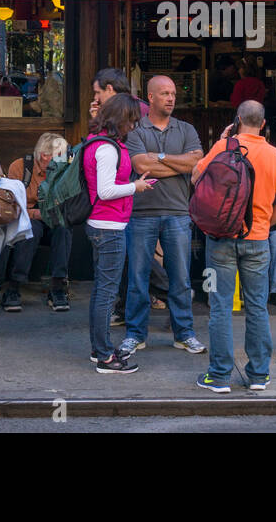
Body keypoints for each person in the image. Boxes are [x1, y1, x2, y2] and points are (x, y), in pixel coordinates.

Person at [192, 100, 276, 393]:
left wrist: (223, 141)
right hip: (258, 243)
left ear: (237, 120)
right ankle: (258, 375)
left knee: (219, 306)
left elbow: (196, 178)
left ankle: (219, 376)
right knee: (258, 307)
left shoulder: (223, 147)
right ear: (263, 124)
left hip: (219, 242)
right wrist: (263, 225)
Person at [117, 75, 206, 359]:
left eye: (173, 94)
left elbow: (197, 162)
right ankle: (135, 334)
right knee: (138, 278)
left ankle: (184, 334)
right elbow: (140, 164)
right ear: (151, 97)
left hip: (178, 212)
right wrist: (177, 163)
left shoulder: (186, 128)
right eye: (165, 94)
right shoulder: (135, 130)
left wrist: (161, 158)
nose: (171, 98)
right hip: (141, 213)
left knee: (180, 277)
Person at [84, 94, 154, 373]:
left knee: (102, 291)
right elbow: (106, 191)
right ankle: (104, 356)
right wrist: (135, 187)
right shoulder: (107, 148)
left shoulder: (99, 143)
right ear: (120, 119)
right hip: (109, 226)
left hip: (102, 224)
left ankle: (98, 348)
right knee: (106, 293)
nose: (134, 127)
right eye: (132, 121)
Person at [0, 132, 71, 311]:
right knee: (31, 232)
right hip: (26, 216)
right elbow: (12, 204)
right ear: (45, 156)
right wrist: (36, 213)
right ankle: (14, 287)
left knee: (63, 229)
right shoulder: (20, 167)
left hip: (53, 216)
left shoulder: (63, 171)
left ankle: (58, 287)